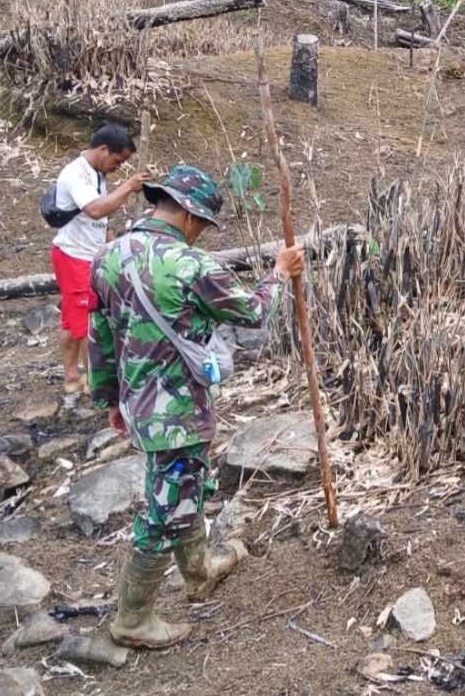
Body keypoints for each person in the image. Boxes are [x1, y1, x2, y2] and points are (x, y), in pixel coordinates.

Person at [90, 165, 306, 648]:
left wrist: (108, 398)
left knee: (186, 487)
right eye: (203, 225)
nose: (202, 233)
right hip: (178, 412)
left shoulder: (106, 257)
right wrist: (278, 274)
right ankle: (133, 619)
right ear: (188, 216)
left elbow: (100, 335)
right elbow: (251, 312)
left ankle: (199, 570)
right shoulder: (191, 265)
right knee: (167, 510)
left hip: (138, 401)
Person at [51, 124, 149, 395]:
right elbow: (95, 210)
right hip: (74, 255)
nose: (119, 166)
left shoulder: (97, 174)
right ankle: (96, 381)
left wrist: (112, 246)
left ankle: (72, 377)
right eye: (118, 160)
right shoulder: (76, 173)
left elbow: (100, 218)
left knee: (71, 320)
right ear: (103, 149)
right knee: (85, 319)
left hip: (88, 254)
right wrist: (129, 187)